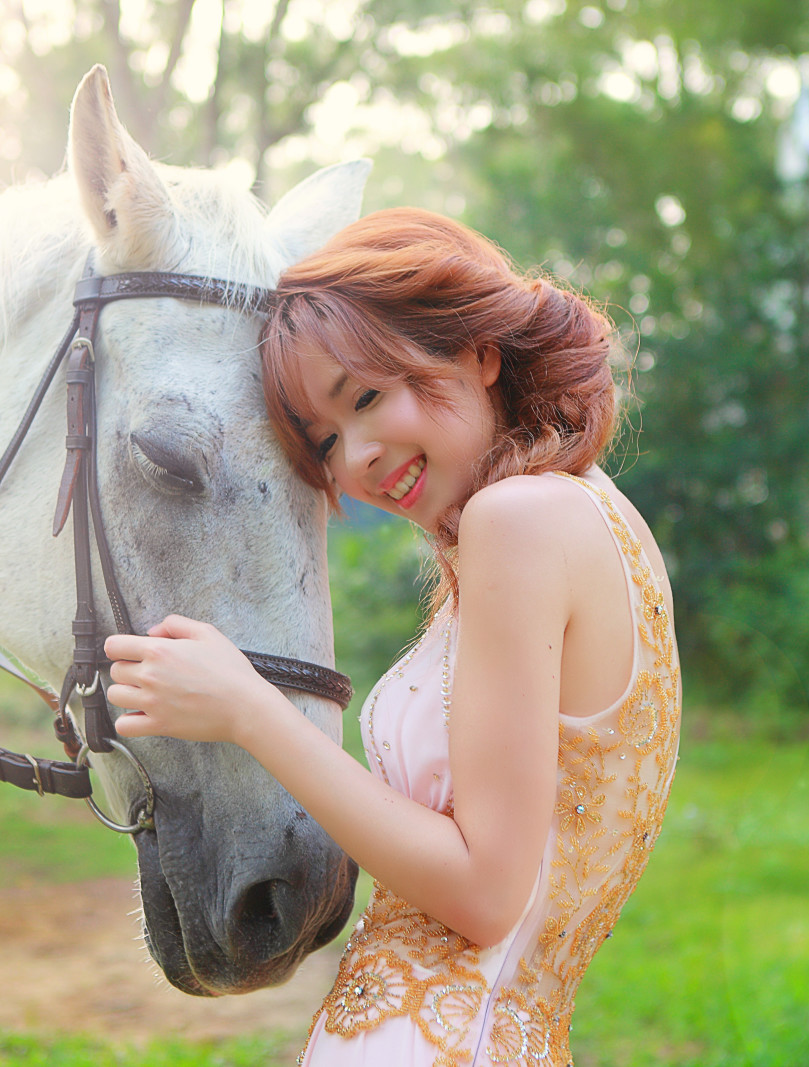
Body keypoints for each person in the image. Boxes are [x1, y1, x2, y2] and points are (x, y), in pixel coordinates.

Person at [104, 207, 681, 1066]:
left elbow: (486, 893)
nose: (356, 458)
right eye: (326, 439)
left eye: (367, 396)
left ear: (477, 350)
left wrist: (248, 711)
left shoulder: (518, 519)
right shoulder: (591, 514)